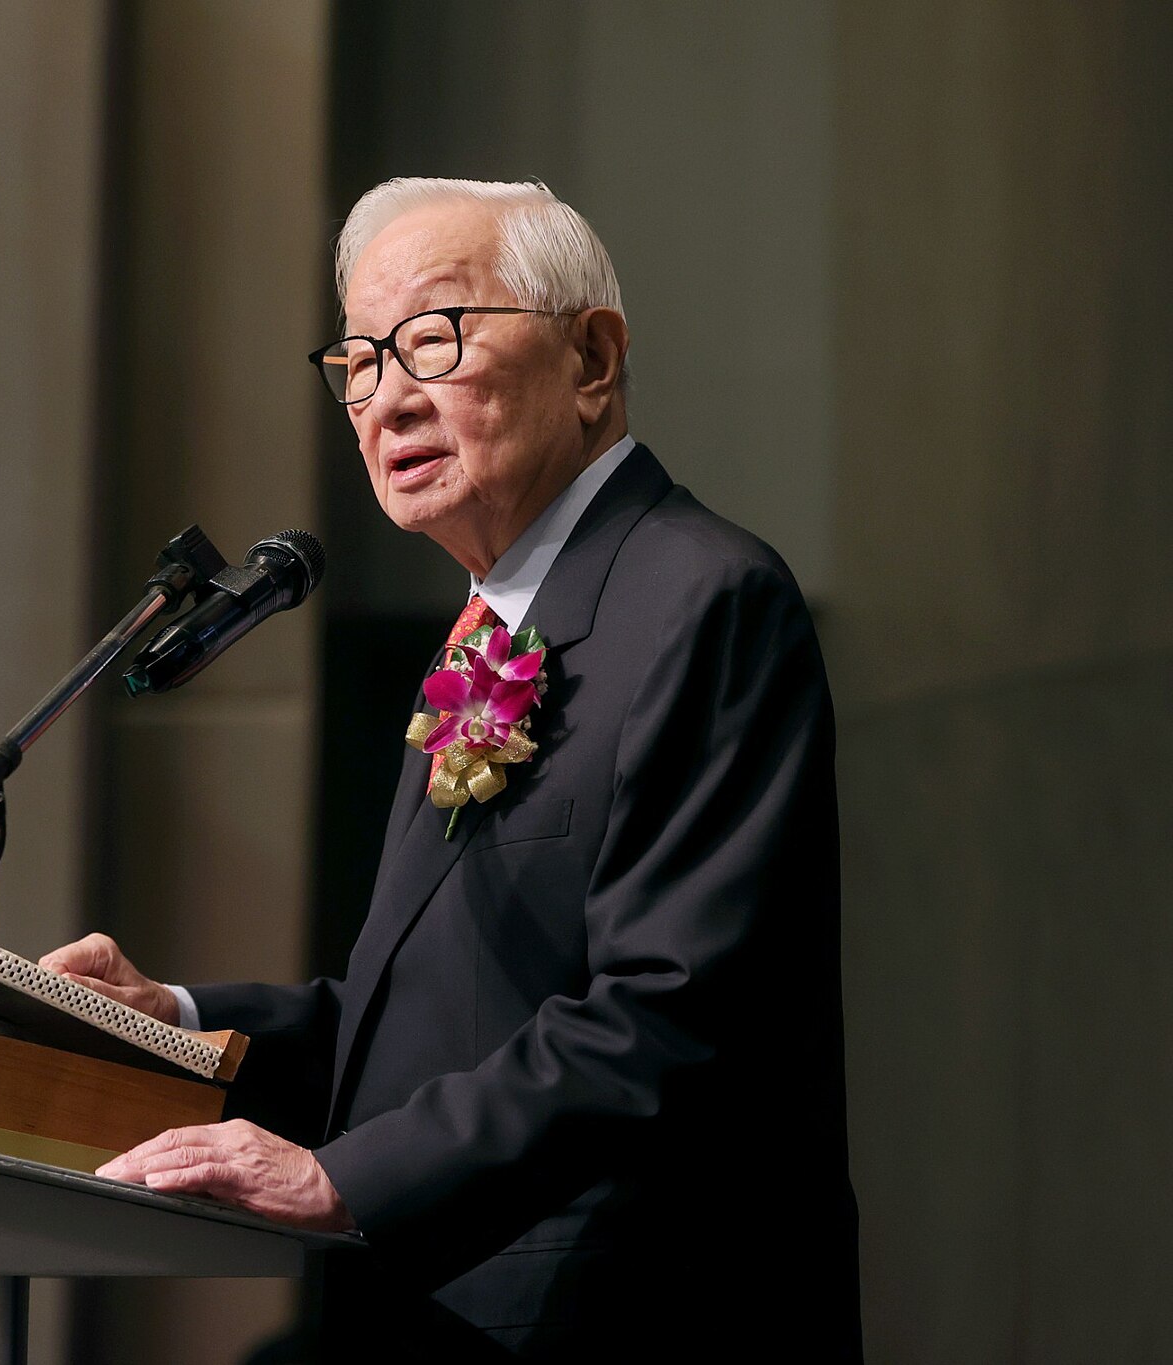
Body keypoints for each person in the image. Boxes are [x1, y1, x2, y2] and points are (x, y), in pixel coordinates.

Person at [42, 178, 860, 1358]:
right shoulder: (489, 628)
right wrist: (168, 1022)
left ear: (590, 357)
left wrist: (342, 1180)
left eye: (430, 339)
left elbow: (666, 1016)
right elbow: (432, 1029)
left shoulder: (697, 597)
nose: (384, 400)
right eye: (356, 365)